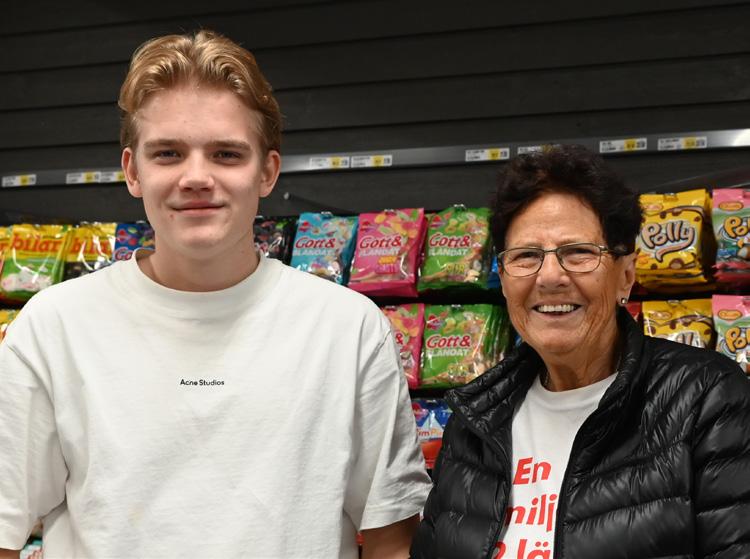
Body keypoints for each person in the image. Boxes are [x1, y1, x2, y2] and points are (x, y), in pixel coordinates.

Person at [0, 30, 431, 559]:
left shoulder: (348, 329)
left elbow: (392, 541)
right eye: (168, 153)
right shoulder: (53, 327)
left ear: (267, 172)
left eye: (226, 154)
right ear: (133, 171)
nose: (196, 177)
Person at [410, 145, 750, 558]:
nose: (550, 276)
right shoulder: (473, 421)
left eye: (578, 253)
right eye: (527, 256)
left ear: (626, 275)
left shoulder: (706, 397)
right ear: (504, 280)